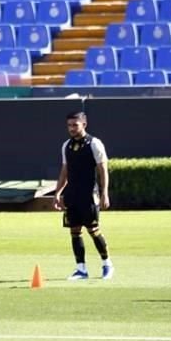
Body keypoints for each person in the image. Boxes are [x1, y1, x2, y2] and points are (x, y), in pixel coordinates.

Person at [53, 111, 113, 280]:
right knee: (74, 231)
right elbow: (65, 171)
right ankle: (81, 269)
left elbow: (103, 170)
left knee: (93, 230)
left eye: (75, 125)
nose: (71, 129)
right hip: (72, 195)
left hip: (89, 195)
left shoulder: (94, 144)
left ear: (84, 125)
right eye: (69, 125)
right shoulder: (66, 146)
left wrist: (104, 193)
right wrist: (58, 193)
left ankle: (107, 264)